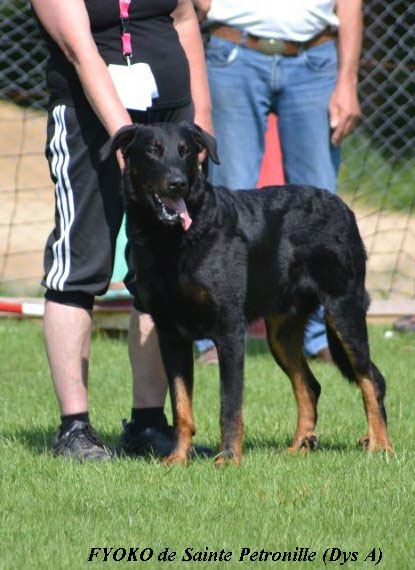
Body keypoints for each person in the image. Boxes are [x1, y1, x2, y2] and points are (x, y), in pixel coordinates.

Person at [31, 0, 212, 460]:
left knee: (162, 273)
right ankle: (75, 429)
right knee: (81, 264)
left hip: (170, 119)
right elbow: (79, 49)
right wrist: (127, 140)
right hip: (90, 121)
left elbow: (186, 18)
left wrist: (201, 120)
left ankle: (148, 425)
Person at [195, 0, 362, 365]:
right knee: (224, 211)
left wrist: (347, 81)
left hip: (315, 59)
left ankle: (319, 336)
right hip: (233, 52)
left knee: (319, 211)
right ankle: (216, 336)